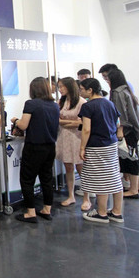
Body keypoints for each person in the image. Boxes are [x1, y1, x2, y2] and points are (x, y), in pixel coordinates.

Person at [10, 77, 60, 223]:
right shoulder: (54, 105)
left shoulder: (31, 104)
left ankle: (30, 212)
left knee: (27, 179)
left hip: (34, 147)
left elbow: (24, 125)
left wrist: (15, 121)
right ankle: (46, 210)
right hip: (50, 146)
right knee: (46, 178)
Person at [78, 78, 124, 224]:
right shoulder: (109, 103)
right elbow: (117, 123)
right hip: (111, 144)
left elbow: (86, 129)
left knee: (100, 179)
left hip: (96, 145)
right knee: (115, 176)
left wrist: (82, 147)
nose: (80, 91)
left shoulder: (88, 106)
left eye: (82, 89)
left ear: (90, 90)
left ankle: (101, 212)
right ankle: (117, 212)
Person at [108, 69, 139, 199]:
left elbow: (120, 114)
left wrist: (120, 130)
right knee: (133, 157)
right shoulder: (127, 90)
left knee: (131, 159)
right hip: (132, 130)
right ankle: (136, 187)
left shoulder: (117, 93)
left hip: (126, 131)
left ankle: (134, 189)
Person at [55, 77, 89, 210]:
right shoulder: (61, 102)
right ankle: (71, 195)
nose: (60, 89)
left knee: (81, 168)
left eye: (62, 86)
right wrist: (70, 122)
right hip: (64, 137)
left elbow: (82, 122)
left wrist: (67, 122)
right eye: (59, 87)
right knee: (68, 167)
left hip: (77, 138)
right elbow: (57, 119)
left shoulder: (81, 102)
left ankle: (86, 197)